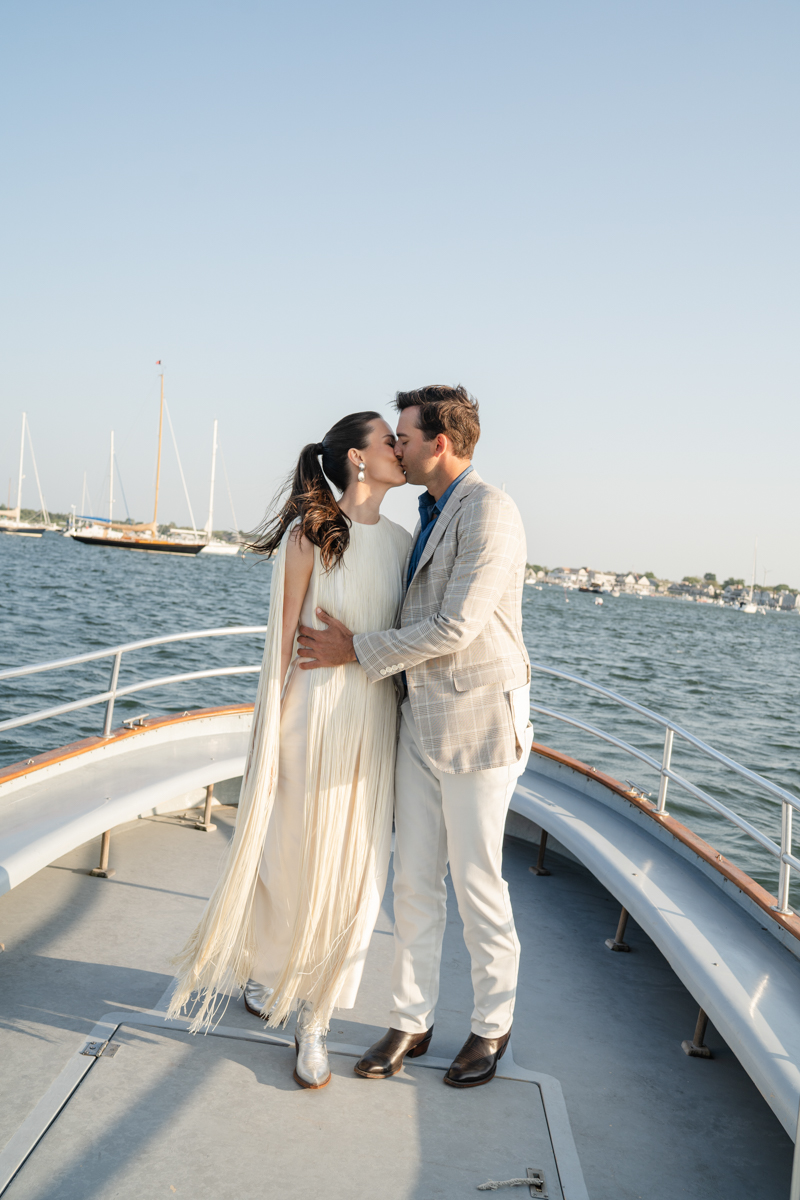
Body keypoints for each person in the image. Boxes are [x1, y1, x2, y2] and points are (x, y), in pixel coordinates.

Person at [297, 384, 532, 1089]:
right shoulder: (427, 512)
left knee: (477, 882)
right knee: (415, 881)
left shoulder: (491, 511)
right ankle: (412, 1021)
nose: (395, 446)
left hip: (479, 725)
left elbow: (457, 626)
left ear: (440, 442)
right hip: (418, 721)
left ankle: (491, 1028)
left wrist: (355, 651)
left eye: (403, 435)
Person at [168, 411, 410, 1091]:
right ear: (358, 460)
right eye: (389, 440)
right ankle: (291, 993)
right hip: (311, 721)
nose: (400, 448)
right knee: (300, 859)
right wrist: (267, 741)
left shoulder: (400, 541)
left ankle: (316, 1012)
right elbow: (280, 647)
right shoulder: (312, 535)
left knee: (358, 872)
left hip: (374, 726)